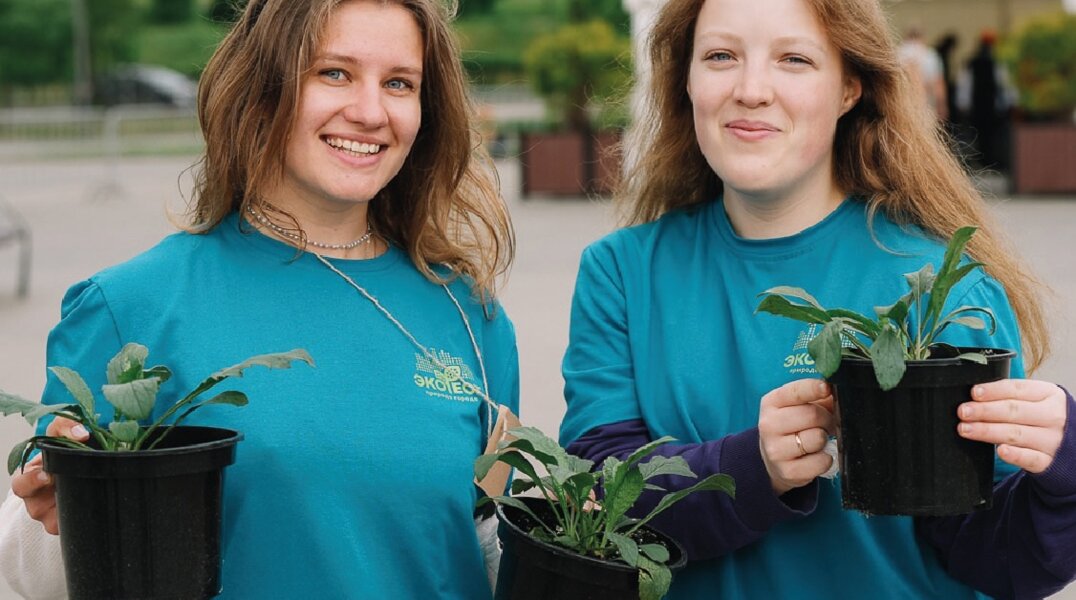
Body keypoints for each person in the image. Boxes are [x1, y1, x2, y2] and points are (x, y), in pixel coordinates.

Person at [0, 0, 518, 598]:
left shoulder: (471, 316)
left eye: (400, 83)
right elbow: (35, 573)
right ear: (264, 87)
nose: (371, 112)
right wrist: (56, 511)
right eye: (334, 73)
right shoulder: (131, 307)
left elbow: (480, 545)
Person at [559, 0, 1076, 598]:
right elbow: (599, 496)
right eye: (721, 56)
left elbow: (1000, 561)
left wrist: (1064, 474)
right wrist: (751, 469)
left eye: (794, 59)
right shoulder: (622, 273)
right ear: (687, 80)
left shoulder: (939, 284)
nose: (751, 90)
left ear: (850, 89)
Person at [956, 30, 1017, 171]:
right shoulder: (996, 62)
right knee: (991, 136)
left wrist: (963, 103)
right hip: (991, 105)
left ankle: (983, 162)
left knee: (979, 135)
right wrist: (1009, 102)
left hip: (977, 105)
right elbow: (1004, 84)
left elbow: (965, 85)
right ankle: (991, 161)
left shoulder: (972, 62)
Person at [898, 26, 948, 122]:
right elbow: (938, 84)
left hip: (902, 104)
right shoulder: (930, 55)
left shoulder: (898, 53)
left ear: (906, 36)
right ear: (923, 37)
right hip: (925, 103)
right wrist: (942, 105)